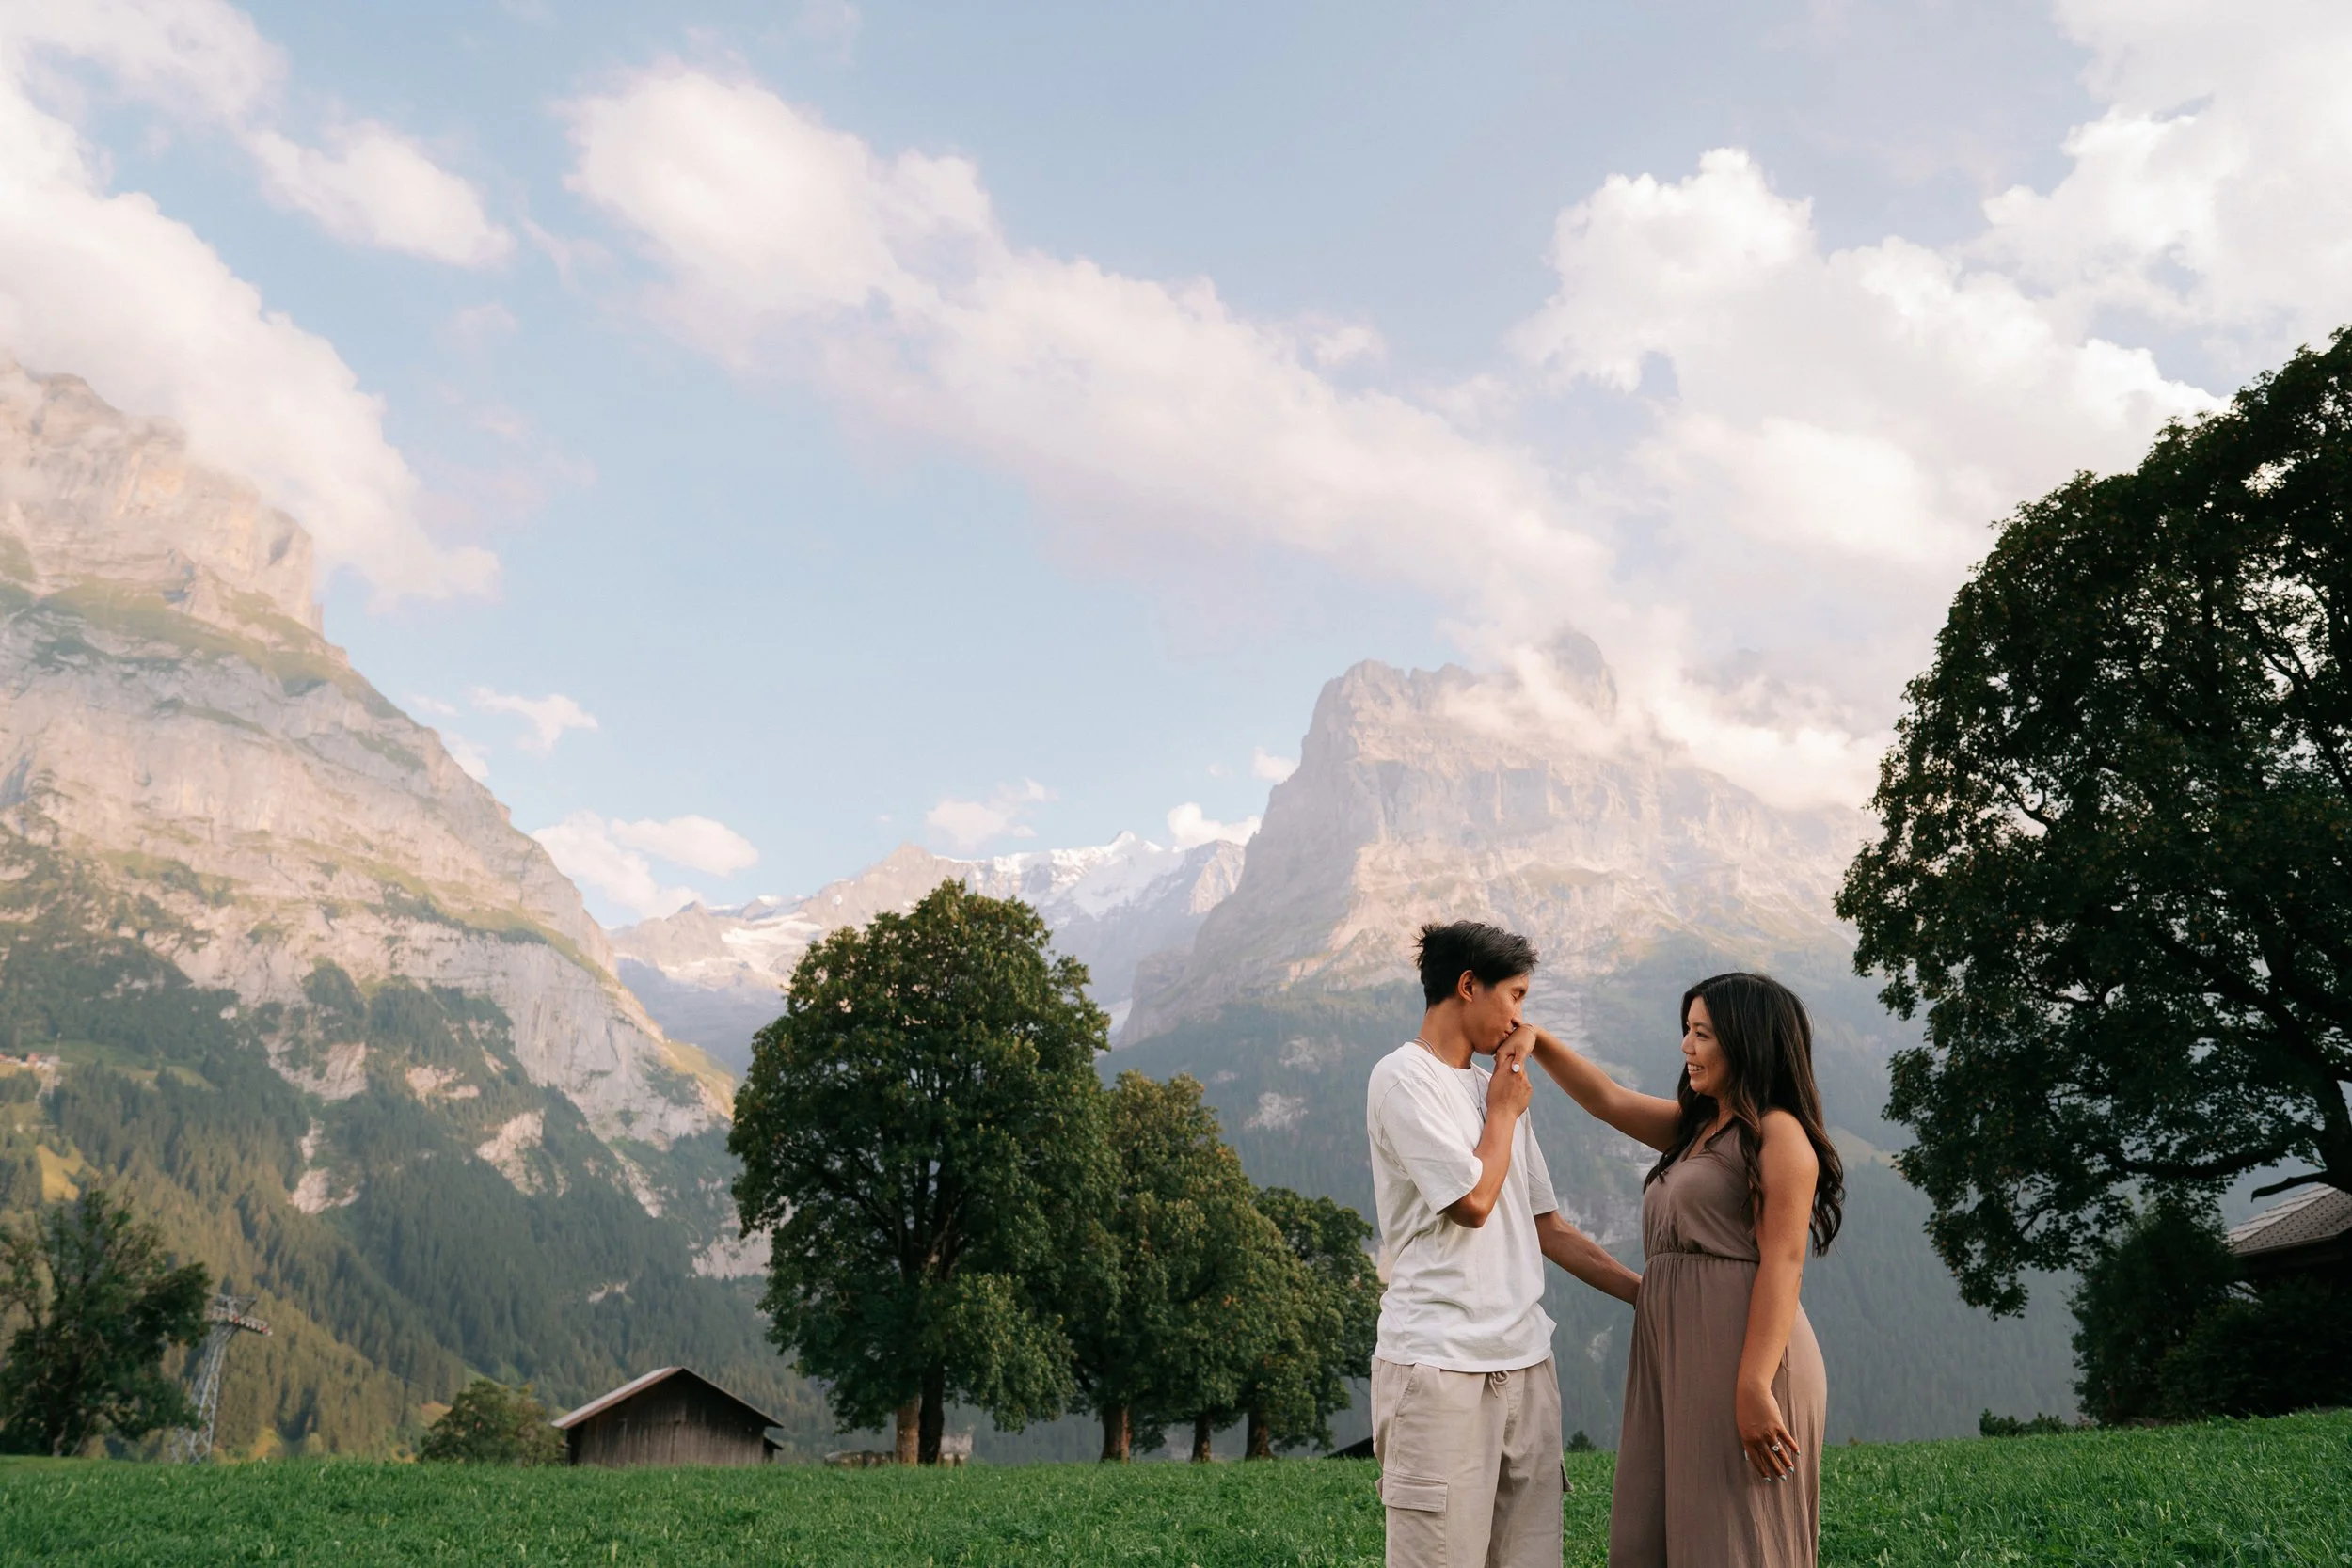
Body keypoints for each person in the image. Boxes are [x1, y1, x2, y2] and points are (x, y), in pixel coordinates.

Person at [1521, 972, 1845, 1568]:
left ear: (1746, 1042)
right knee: (1649, 1532)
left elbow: (1784, 1263)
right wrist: (1536, 1041)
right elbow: (1607, 1099)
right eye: (1686, 1031)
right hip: (1671, 1352)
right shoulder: (1697, 1127)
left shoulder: (1778, 1135)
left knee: (1733, 1541)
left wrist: (1752, 1385)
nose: (1686, 1047)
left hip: (1746, 1355)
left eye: (1702, 1034)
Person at [1365, 921, 1642, 1568]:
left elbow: (1548, 1225)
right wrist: (1503, 1110)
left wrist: (1650, 1295)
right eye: (1514, 994)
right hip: (1439, 1371)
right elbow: (1473, 1204)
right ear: (1468, 985)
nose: (1522, 1016)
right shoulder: (1404, 1078)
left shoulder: (1495, 1090)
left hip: (1526, 1367)